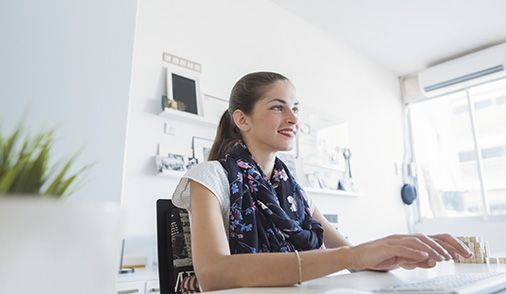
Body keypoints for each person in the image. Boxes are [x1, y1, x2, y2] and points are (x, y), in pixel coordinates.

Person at [171, 71, 473, 292]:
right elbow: (213, 273)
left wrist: (396, 251)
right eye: (278, 107)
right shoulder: (209, 176)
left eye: (295, 108)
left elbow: (350, 255)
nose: (293, 118)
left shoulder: (293, 190)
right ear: (242, 120)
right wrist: (349, 255)